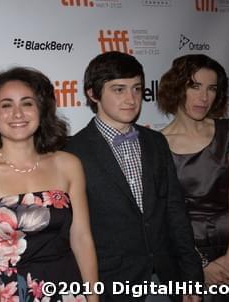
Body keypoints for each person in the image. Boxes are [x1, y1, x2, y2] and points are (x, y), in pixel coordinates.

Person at [64, 52, 203, 302]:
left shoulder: (156, 142)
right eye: (118, 90)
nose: (131, 99)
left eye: (137, 89)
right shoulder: (71, 152)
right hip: (110, 285)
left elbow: (175, 213)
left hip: (166, 278)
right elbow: (71, 233)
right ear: (93, 94)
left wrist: (191, 278)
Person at [0, 67, 99, 301]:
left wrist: (93, 298)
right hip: (9, 292)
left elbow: (82, 239)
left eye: (27, 103)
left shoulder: (68, 164)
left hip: (66, 289)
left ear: (41, 111)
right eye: (6, 105)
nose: (18, 113)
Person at [157, 54, 229, 302]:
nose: (204, 97)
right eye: (195, 86)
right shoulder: (157, 145)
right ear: (177, 88)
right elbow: (164, 216)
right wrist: (199, 265)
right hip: (189, 251)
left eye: (211, 88)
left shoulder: (228, 130)